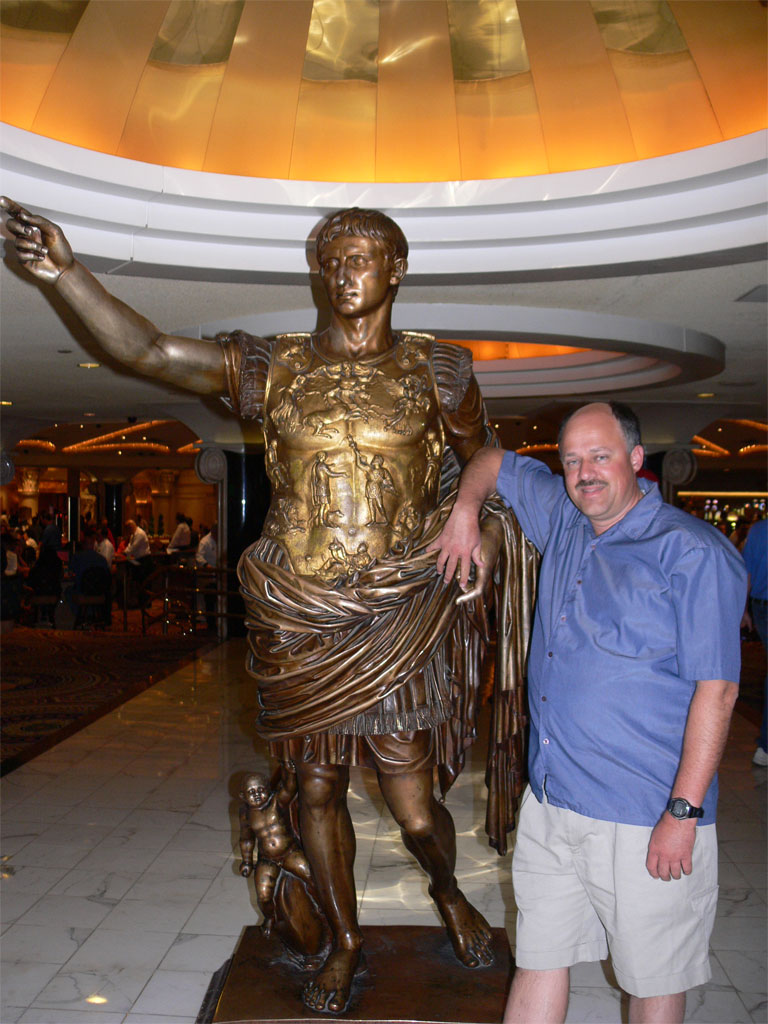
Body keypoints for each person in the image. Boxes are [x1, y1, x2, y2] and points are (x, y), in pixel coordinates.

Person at [1, 197, 533, 1016]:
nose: (342, 273)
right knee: (315, 788)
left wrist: (481, 527)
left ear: (395, 271)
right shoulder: (274, 365)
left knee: (416, 809)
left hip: (393, 612)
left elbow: (487, 464)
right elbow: (148, 350)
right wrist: (66, 273)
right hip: (299, 611)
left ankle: (447, 890)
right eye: (331, 260)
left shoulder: (440, 369)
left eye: (360, 259)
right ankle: (344, 941)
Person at [431, 400, 747, 1024]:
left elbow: (719, 691)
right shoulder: (564, 517)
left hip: (644, 812)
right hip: (553, 804)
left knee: (653, 977)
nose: (584, 473)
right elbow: (489, 461)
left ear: (636, 458)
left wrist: (682, 813)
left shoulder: (691, 552)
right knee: (538, 957)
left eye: (600, 456)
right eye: (572, 460)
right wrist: (464, 511)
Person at [741, 518, 767, 766]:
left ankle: (765, 747)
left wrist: (743, 609)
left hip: (763, 606)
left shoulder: (759, 530)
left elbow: (746, 573)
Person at [195, 523, 218, 632]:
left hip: (218, 575)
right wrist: (206, 565)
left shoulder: (221, 539)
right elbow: (199, 557)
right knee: (209, 599)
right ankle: (209, 622)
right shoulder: (205, 542)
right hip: (207, 576)